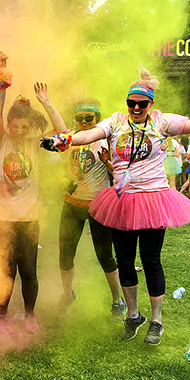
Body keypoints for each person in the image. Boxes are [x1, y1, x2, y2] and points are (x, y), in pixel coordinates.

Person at [45, 68, 190, 345]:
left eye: (142, 103)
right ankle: (133, 315)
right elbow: (86, 135)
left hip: (154, 199)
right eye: (131, 102)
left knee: (151, 261)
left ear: (151, 104)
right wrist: (62, 140)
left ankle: (157, 321)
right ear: (126, 103)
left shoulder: (162, 122)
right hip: (121, 202)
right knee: (125, 261)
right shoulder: (114, 123)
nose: (136, 108)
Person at [0, 77, 66, 335]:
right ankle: (1, 316)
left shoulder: (36, 144)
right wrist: (0, 89)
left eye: (24, 126)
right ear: (8, 125)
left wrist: (46, 102)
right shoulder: (0, 142)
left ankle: (30, 315)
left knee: (29, 270)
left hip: (29, 219)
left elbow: (63, 134)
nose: (19, 131)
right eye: (15, 126)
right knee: (5, 270)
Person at [56, 99, 125, 323]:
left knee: (105, 256)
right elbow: (62, 171)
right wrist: (66, 181)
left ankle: (118, 301)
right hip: (72, 204)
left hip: (98, 205)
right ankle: (68, 295)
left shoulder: (106, 140)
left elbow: (121, 177)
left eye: (89, 118)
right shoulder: (72, 139)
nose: (84, 122)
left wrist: (107, 163)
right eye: (80, 118)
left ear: (98, 119)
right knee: (65, 255)